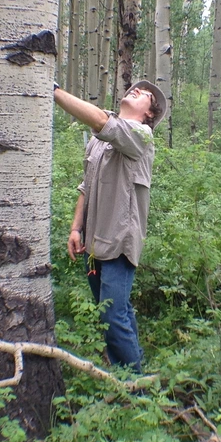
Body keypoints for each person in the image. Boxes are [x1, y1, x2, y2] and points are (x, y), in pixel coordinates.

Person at [53, 80, 167, 372]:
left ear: (150, 115)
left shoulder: (141, 135)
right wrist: (76, 229)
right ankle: (127, 369)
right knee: (115, 311)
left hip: (120, 241)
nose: (136, 90)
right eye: (136, 88)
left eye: (146, 95)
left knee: (112, 315)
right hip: (93, 243)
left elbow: (102, 120)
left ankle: (136, 389)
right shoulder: (98, 139)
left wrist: (53, 91)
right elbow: (85, 185)